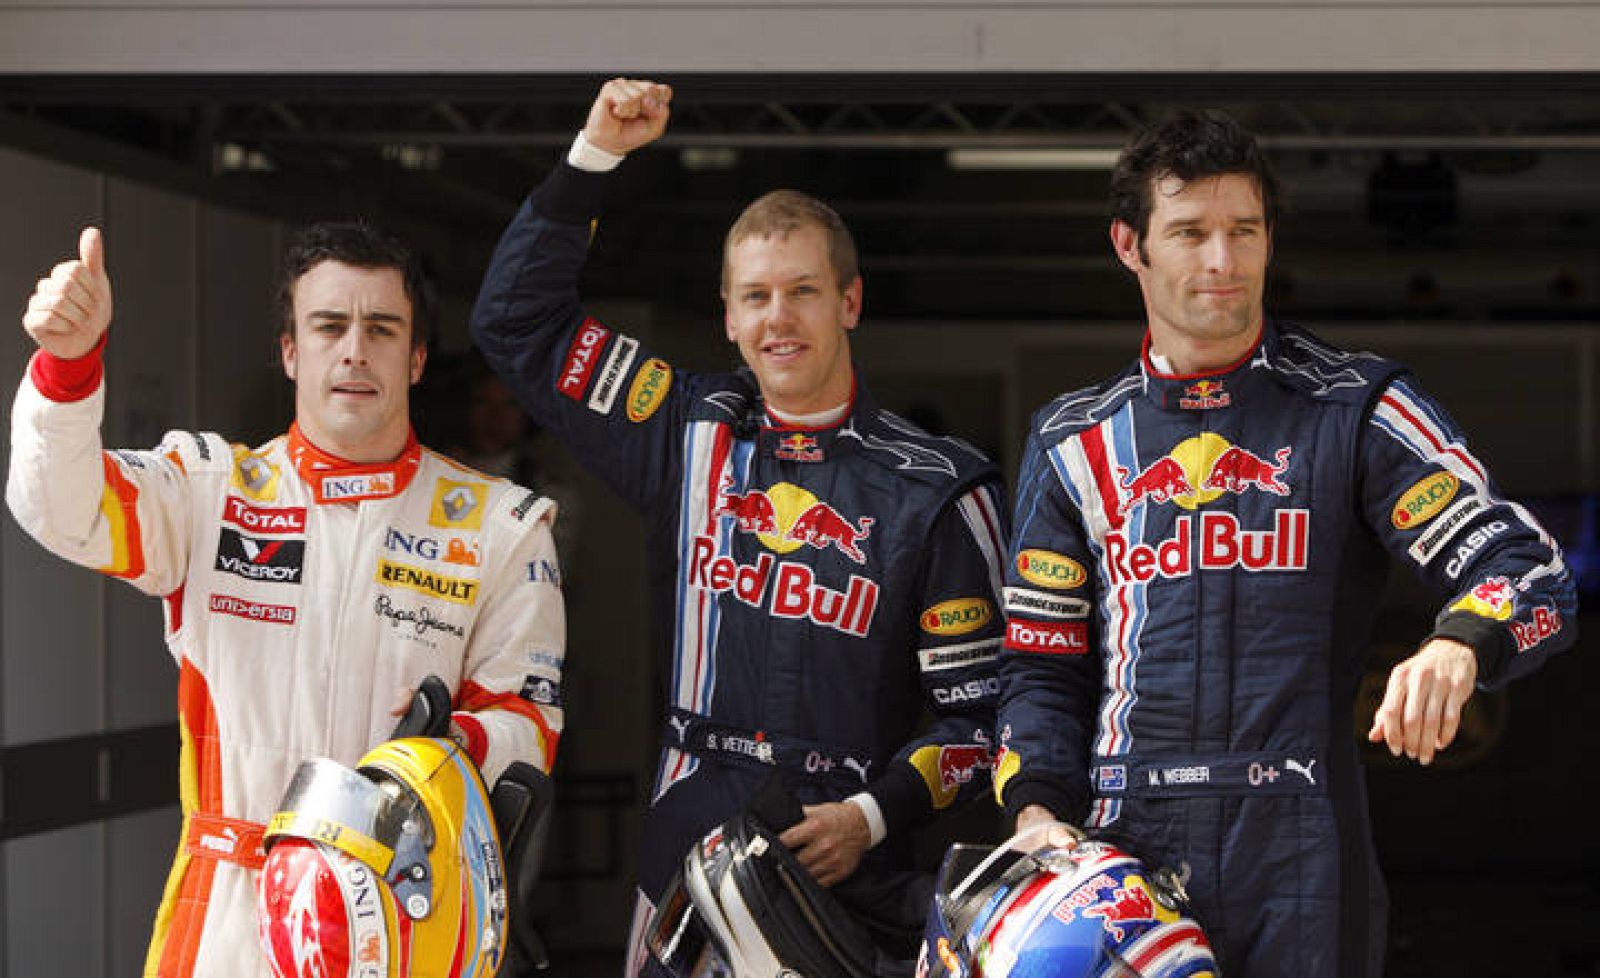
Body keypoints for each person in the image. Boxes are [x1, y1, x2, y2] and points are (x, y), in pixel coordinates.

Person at [993, 109, 1577, 977]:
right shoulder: (1075, 439)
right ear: (1130, 246)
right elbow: (1041, 664)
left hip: (1298, 841)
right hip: (1119, 840)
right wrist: (1037, 812)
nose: (1222, 262)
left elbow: (1528, 570)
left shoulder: (1354, 408)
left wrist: (1461, 642)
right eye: (1190, 233)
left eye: (1244, 231)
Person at [470, 78, 1009, 976]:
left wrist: (870, 817)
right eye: (755, 296)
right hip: (690, 837)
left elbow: (982, 717)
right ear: (727, 313)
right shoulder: (685, 432)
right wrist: (593, 156)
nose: (778, 318)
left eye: (802, 291)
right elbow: (516, 322)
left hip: (855, 857)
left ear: (851, 302)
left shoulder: (940, 489)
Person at [7, 223, 566, 977]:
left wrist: (446, 754)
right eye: (329, 326)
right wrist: (68, 370)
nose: (355, 350)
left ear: (418, 357)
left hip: (402, 916)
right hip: (228, 919)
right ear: (290, 351)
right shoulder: (210, 492)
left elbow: (528, 723)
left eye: (383, 328)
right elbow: (60, 507)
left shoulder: (502, 525)